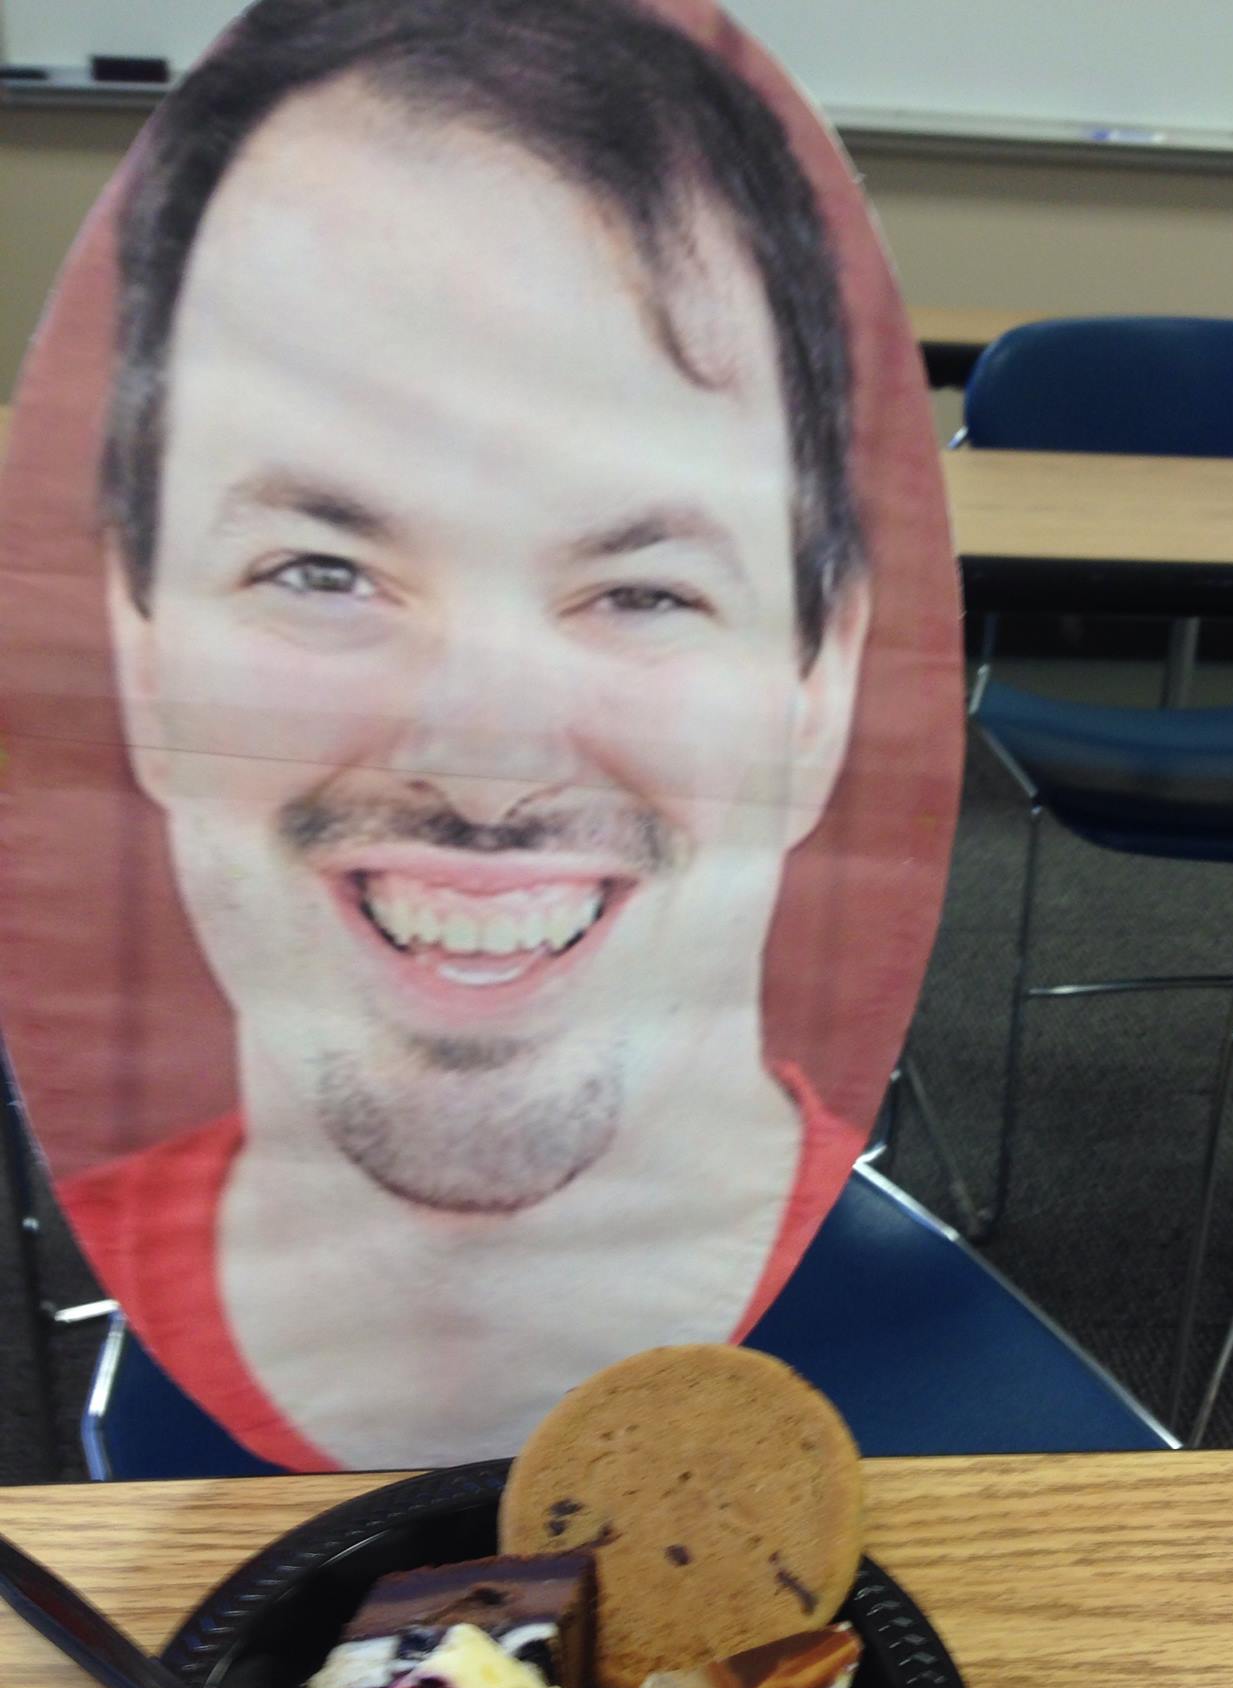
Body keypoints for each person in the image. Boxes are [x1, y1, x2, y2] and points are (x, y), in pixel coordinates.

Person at [47, 0, 918, 1469]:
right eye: (320, 572)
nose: (486, 763)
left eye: (643, 590)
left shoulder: (982, 1441)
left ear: (819, 684)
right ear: (138, 647)